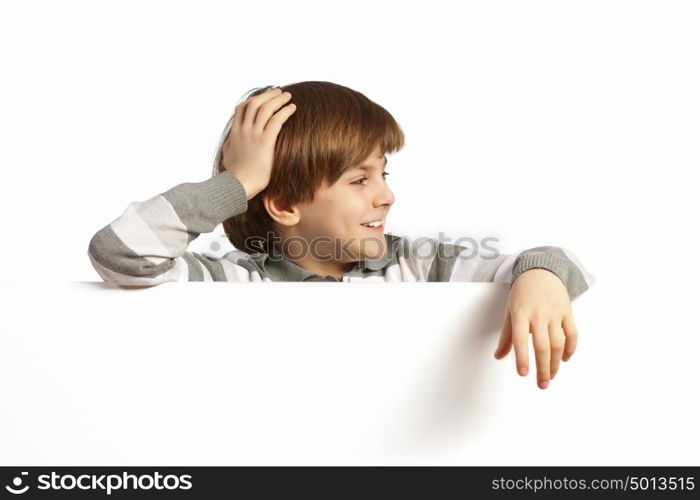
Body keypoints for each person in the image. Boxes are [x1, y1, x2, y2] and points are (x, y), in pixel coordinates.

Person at [88, 81, 595, 390]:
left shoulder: (420, 266)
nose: (386, 197)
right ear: (283, 204)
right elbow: (121, 254)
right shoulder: (231, 281)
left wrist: (543, 276)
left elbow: (546, 259)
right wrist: (238, 183)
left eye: (384, 175)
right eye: (359, 180)